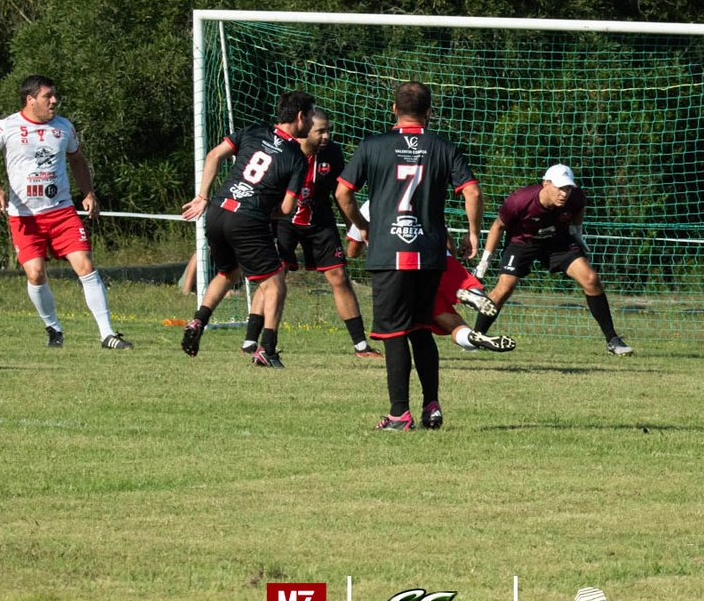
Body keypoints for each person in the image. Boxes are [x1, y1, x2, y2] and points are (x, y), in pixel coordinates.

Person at [335, 81, 483, 431]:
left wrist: (362, 225)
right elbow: (473, 193)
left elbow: (342, 193)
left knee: (394, 332)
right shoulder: (443, 146)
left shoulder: (372, 145)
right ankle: (431, 405)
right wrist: (473, 234)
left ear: (394, 110)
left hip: (389, 252)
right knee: (421, 328)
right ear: (429, 112)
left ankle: (399, 414)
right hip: (428, 252)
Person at [0, 74, 132, 350]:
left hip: (62, 212)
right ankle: (54, 329)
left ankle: (107, 334)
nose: (54, 101)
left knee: (85, 265)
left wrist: (88, 193)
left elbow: (77, 159)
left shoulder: (64, 127)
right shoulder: (7, 126)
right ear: (30, 100)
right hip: (24, 217)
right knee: (35, 274)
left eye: (55, 96)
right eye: (48, 96)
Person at [179, 90, 315, 367]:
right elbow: (287, 208)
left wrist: (203, 196)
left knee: (227, 273)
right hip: (247, 218)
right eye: (311, 116)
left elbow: (214, 155)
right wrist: (263, 211)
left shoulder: (254, 130)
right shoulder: (296, 157)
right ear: (300, 117)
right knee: (275, 284)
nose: (312, 122)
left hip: (218, 210)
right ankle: (267, 350)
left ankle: (198, 321)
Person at [471, 164, 633, 356]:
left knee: (590, 279)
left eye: (568, 188)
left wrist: (577, 232)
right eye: (560, 188)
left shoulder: (576, 197)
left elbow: (579, 207)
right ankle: (476, 338)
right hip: (522, 242)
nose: (564, 194)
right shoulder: (520, 200)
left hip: (557, 242)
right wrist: (485, 261)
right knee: (504, 288)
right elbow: (498, 226)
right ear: (546, 184)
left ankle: (613, 340)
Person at [271, 108, 382, 359]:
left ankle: (361, 346)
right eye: (321, 131)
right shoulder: (284, 150)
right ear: (304, 130)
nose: (326, 136)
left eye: (328, 130)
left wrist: (355, 226)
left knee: (339, 276)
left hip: (319, 220)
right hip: (284, 219)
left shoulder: (332, 153)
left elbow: (341, 194)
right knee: (275, 277)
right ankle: (258, 342)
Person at [347, 209, 514, 356]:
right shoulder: (425, 195)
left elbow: (352, 252)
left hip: (399, 269)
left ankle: (471, 337)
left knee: (450, 325)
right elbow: (446, 239)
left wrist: (367, 241)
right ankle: (473, 295)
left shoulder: (371, 204)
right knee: (465, 286)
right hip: (437, 258)